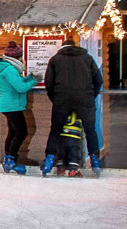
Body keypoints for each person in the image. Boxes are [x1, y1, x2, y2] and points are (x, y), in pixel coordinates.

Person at [42, 30, 105, 178]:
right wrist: (91, 95)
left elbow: (48, 83)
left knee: (55, 130)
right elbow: (99, 80)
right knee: (90, 130)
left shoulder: (55, 60)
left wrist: (55, 98)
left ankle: (49, 161)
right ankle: (95, 161)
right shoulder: (87, 58)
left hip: (62, 99)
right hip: (85, 98)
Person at [0, 40, 41, 174]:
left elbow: (18, 83)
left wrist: (29, 78)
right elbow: (20, 87)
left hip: (11, 105)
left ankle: (8, 159)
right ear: (17, 57)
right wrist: (33, 80)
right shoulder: (10, 70)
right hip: (12, 105)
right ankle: (10, 160)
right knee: (21, 132)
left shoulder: (8, 68)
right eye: (21, 57)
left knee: (13, 133)